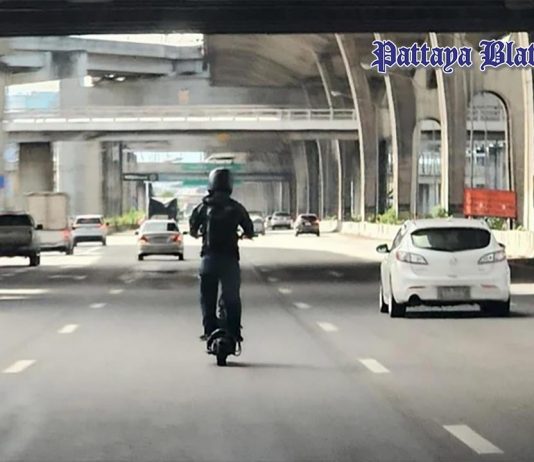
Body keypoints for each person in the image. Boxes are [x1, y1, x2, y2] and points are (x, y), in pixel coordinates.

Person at [189, 168, 254, 343]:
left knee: (207, 298)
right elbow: (249, 228)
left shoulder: (203, 207)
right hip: (230, 260)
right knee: (232, 297)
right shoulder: (236, 207)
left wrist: (197, 234)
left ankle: (208, 330)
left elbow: (193, 228)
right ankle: (234, 331)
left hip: (208, 260)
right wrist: (246, 234)